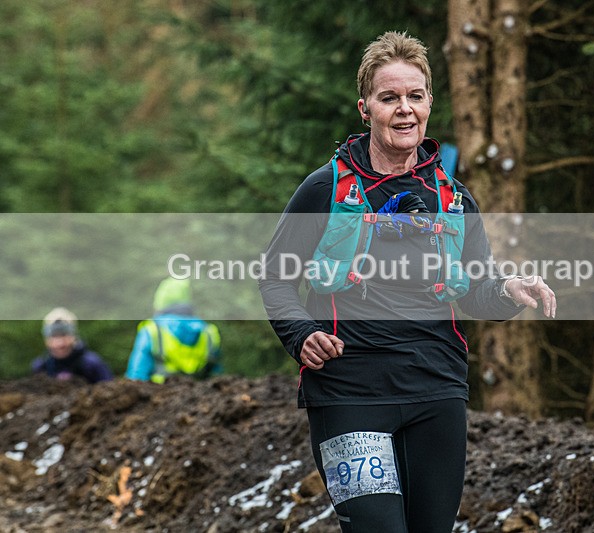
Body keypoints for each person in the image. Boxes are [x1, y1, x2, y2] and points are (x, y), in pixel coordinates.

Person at [259, 31, 556, 533]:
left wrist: (509, 290)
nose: (404, 109)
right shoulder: (325, 189)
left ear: (429, 103)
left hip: (436, 391)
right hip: (349, 392)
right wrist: (301, 333)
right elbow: (275, 277)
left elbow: (475, 290)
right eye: (389, 97)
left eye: (415, 96)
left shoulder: (454, 198)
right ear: (365, 109)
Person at [125, 277, 221, 383]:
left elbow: (137, 374)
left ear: (160, 300)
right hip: (200, 392)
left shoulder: (152, 329)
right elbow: (216, 376)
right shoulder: (209, 332)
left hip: (158, 392)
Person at [32, 307, 114, 384]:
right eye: (54, 336)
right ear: (46, 340)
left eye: (64, 335)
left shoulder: (92, 364)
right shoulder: (41, 366)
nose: (60, 343)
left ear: (74, 337)